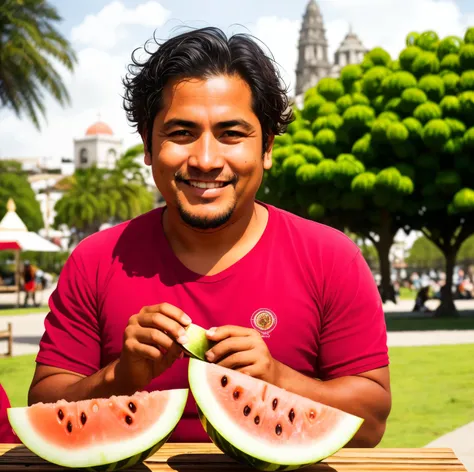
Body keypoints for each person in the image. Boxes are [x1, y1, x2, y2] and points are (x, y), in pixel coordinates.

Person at [28, 27, 391, 447]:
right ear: (149, 147)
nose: (205, 159)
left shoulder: (331, 258)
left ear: (267, 148)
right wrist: (120, 375)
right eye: (181, 133)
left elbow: (371, 423)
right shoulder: (96, 260)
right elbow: (44, 410)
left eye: (231, 134)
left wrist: (277, 379)